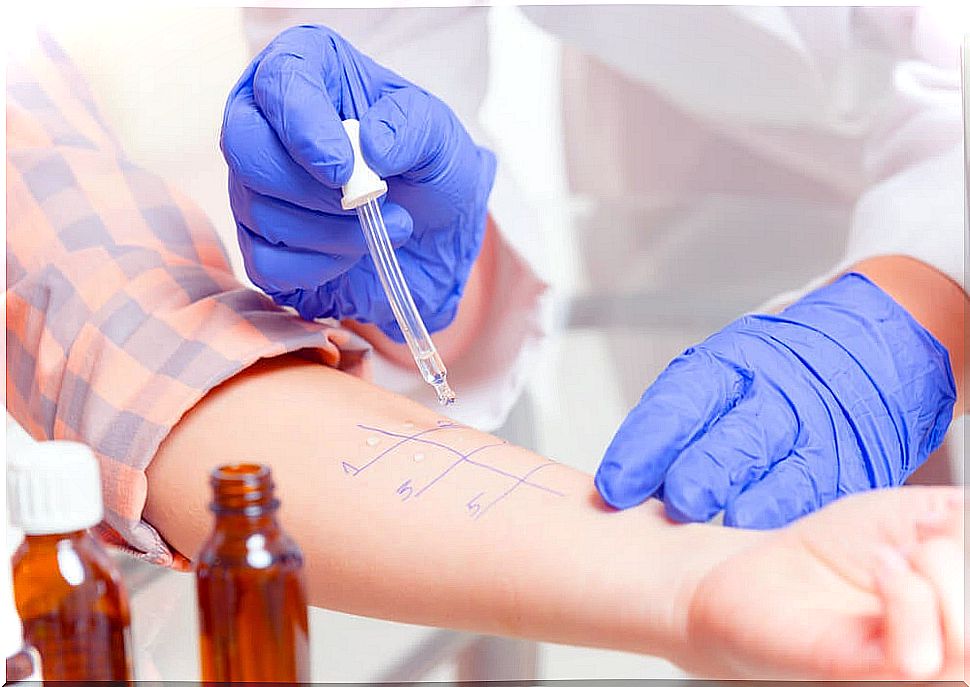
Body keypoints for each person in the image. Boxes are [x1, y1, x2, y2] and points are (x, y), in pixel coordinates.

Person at [6, 30, 966, 681]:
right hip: (695, 160)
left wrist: (930, 285)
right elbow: (137, 337)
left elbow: (149, 341)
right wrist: (438, 292)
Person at [223, 9, 966, 529]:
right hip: (688, 96)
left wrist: (926, 299)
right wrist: (437, 279)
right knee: (715, 531)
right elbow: (383, 49)